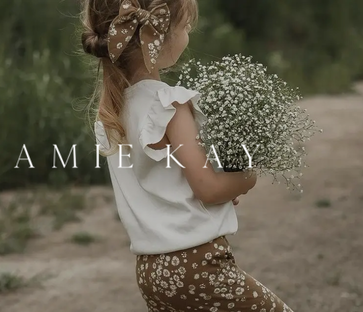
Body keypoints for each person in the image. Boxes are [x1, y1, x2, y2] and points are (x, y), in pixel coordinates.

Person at [80, 0, 294, 311]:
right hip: (196, 265)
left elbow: (165, 183)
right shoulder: (168, 104)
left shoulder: (113, 111)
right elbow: (207, 189)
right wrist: (245, 178)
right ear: (158, 37)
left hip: (151, 271)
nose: (189, 33)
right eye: (185, 27)